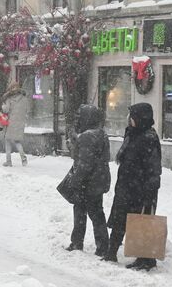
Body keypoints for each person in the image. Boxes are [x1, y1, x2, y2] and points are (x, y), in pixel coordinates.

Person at [102, 103, 162, 271]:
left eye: (133, 116)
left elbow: (153, 168)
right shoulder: (132, 133)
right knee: (120, 218)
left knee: (141, 222)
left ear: (141, 118)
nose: (129, 119)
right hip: (126, 186)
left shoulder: (149, 137)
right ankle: (111, 252)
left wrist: (149, 191)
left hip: (140, 188)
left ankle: (146, 259)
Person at [61, 104, 111, 255]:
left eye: (79, 117)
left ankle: (78, 242)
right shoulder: (100, 134)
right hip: (98, 180)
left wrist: (75, 181)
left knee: (82, 212)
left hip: (88, 182)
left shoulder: (87, 137)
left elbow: (84, 163)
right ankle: (102, 246)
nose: (77, 120)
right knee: (96, 213)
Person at [1, 82, 28, 167]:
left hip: (11, 122)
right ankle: (23, 158)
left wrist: (3, 105)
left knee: (8, 140)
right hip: (21, 122)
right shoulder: (24, 98)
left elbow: (6, 110)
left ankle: (8, 161)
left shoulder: (9, 98)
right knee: (17, 141)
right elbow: (27, 109)